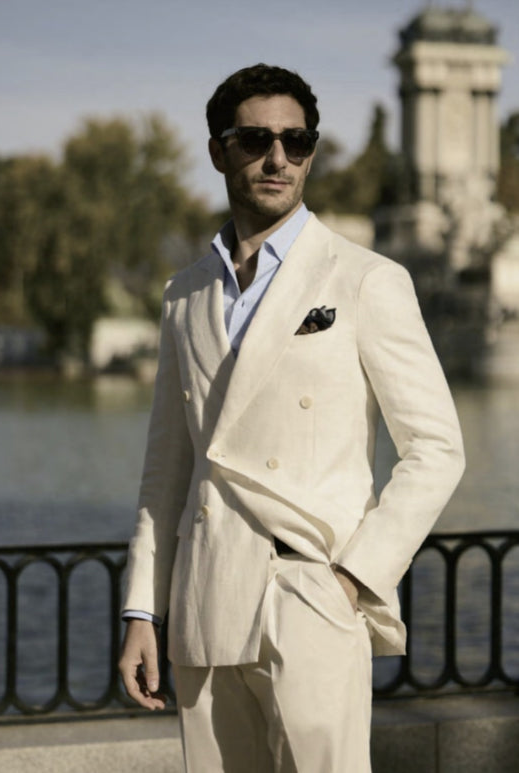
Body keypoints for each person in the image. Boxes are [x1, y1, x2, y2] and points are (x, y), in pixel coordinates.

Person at [119, 63, 465, 772]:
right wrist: (140, 610)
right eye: (254, 139)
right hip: (205, 598)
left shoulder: (365, 278)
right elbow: (168, 469)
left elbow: (435, 448)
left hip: (308, 596)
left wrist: (350, 579)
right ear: (218, 151)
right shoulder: (182, 294)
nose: (278, 158)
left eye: (297, 140)